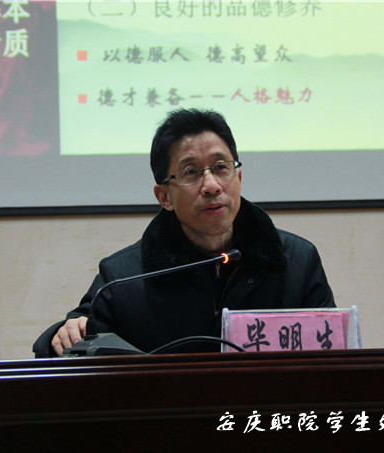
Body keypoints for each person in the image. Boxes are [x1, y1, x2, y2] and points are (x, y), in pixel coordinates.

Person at [33, 108, 335, 357]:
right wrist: (62, 333)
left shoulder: (297, 261)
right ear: (164, 196)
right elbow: (64, 346)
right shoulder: (124, 277)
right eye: (191, 172)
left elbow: (332, 353)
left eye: (221, 167)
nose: (211, 186)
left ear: (239, 178)